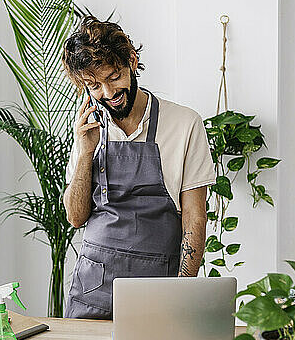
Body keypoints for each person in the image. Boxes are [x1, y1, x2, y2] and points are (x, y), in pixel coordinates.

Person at [61, 16, 216, 320]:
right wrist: (85, 152)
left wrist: (182, 294)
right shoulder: (88, 128)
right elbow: (76, 217)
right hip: (93, 289)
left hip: (159, 287)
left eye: (114, 76)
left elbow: (195, 219)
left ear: (131, 61)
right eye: (94, 85)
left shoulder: (184, 123)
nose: (108, 93)